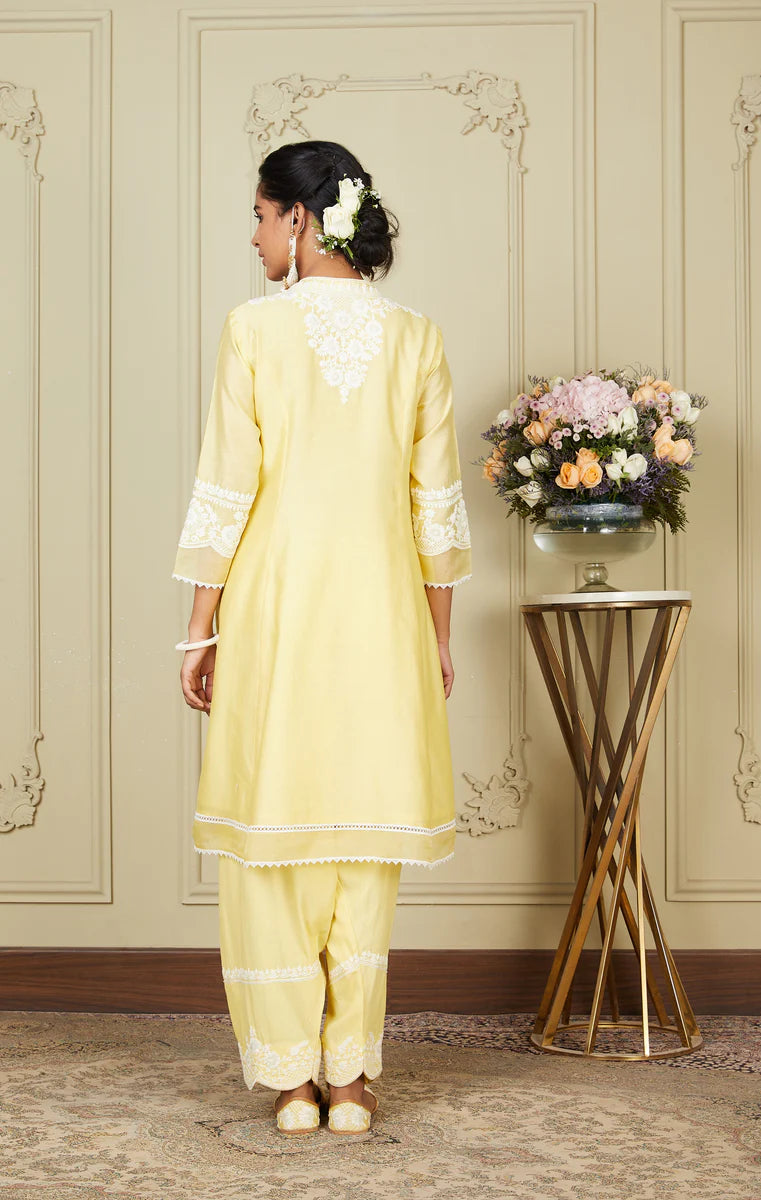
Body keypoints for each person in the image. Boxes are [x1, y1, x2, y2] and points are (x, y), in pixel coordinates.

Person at [172, 139, 472, 1135]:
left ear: (299, 218)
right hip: (384, 617)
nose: (255, 237)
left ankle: (292, 1080)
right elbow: (437, 508)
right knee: (362, 838)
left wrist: (198, 631)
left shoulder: (253, 331)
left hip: (276, 611)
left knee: (273, 838)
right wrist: (436, 639)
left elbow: (227, 486)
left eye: (261, 217)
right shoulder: (417, 337)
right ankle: (349, 1080)